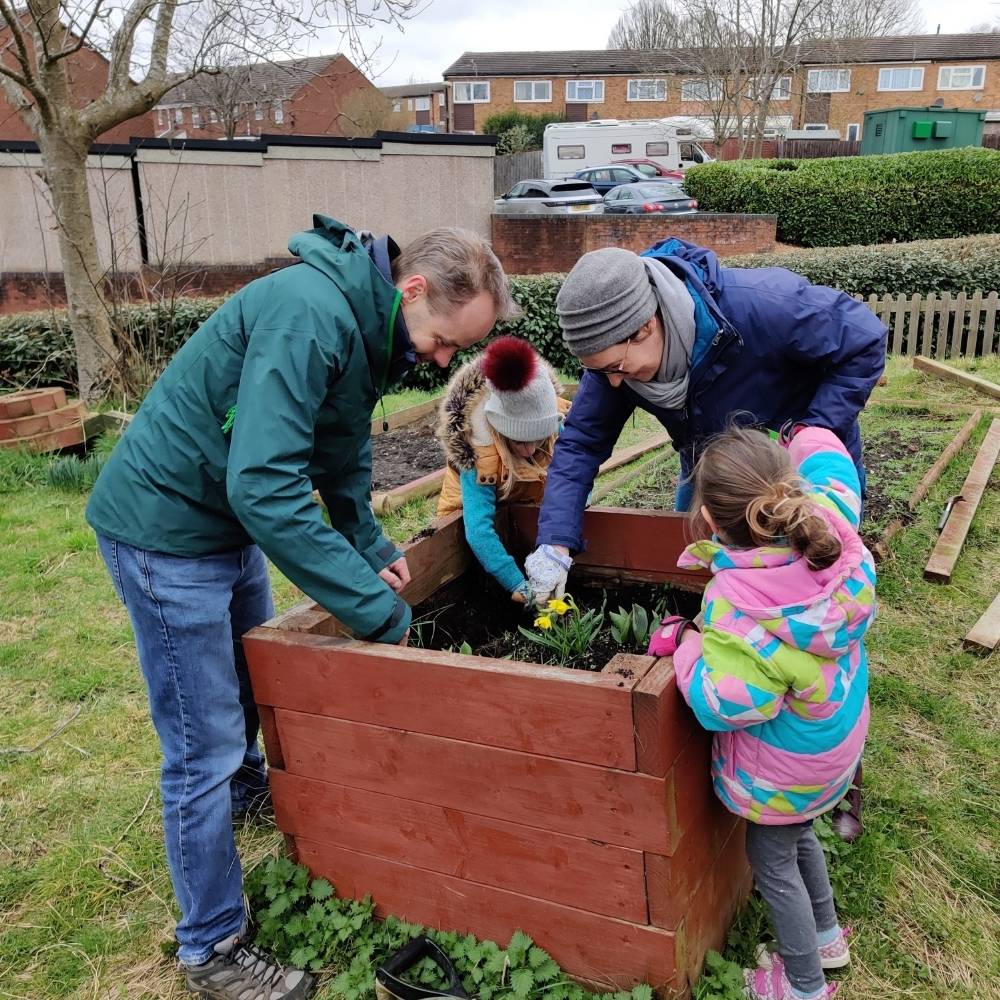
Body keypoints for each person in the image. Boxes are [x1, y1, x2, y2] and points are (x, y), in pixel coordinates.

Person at [85, 215, 516, 999]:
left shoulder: (363, 326)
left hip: (221, 525)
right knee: (200, 744)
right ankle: (209, 946)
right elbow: (265, 486)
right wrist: (371, 607)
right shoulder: (310, 314)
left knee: (249, 692)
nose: (442, 361)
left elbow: (340, 449)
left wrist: (366, 541)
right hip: (165, 531)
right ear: (413, 288)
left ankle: (248, 787)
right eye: (447, 341)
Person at [524, 239, 885, 840]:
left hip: (799, 482)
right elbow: (583, 442)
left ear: (647, 326)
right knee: (726, 604)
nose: (612, 384)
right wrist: (556, 541)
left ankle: (834, 773)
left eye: (616, 366)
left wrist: (806, 431)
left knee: (817, 615)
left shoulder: (763, 307)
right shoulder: (615, 363)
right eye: (599, 372)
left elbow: (864, 339)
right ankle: (738, 733)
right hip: (713, 485)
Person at [647, 424, 875, 1000]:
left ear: (712, 521)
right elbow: (835, 470)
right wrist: (813, 431)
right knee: (801, 835)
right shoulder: (833, 535)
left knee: (770, 860)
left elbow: (727, 705)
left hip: (786, 766)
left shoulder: (739, 602)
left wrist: (686, 645)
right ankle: (827, 936)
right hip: (832, 747)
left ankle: (804, 985)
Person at [436, 336, 570, 602]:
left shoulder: (552, 417)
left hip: (523, 504)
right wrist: (517, 585)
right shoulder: (478, 452)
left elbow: (572, 478)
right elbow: (478, 531)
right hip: (471, 516)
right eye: (520, 441)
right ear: (500, 428)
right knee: (469, 580)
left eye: (539, 439)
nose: (531, 450)